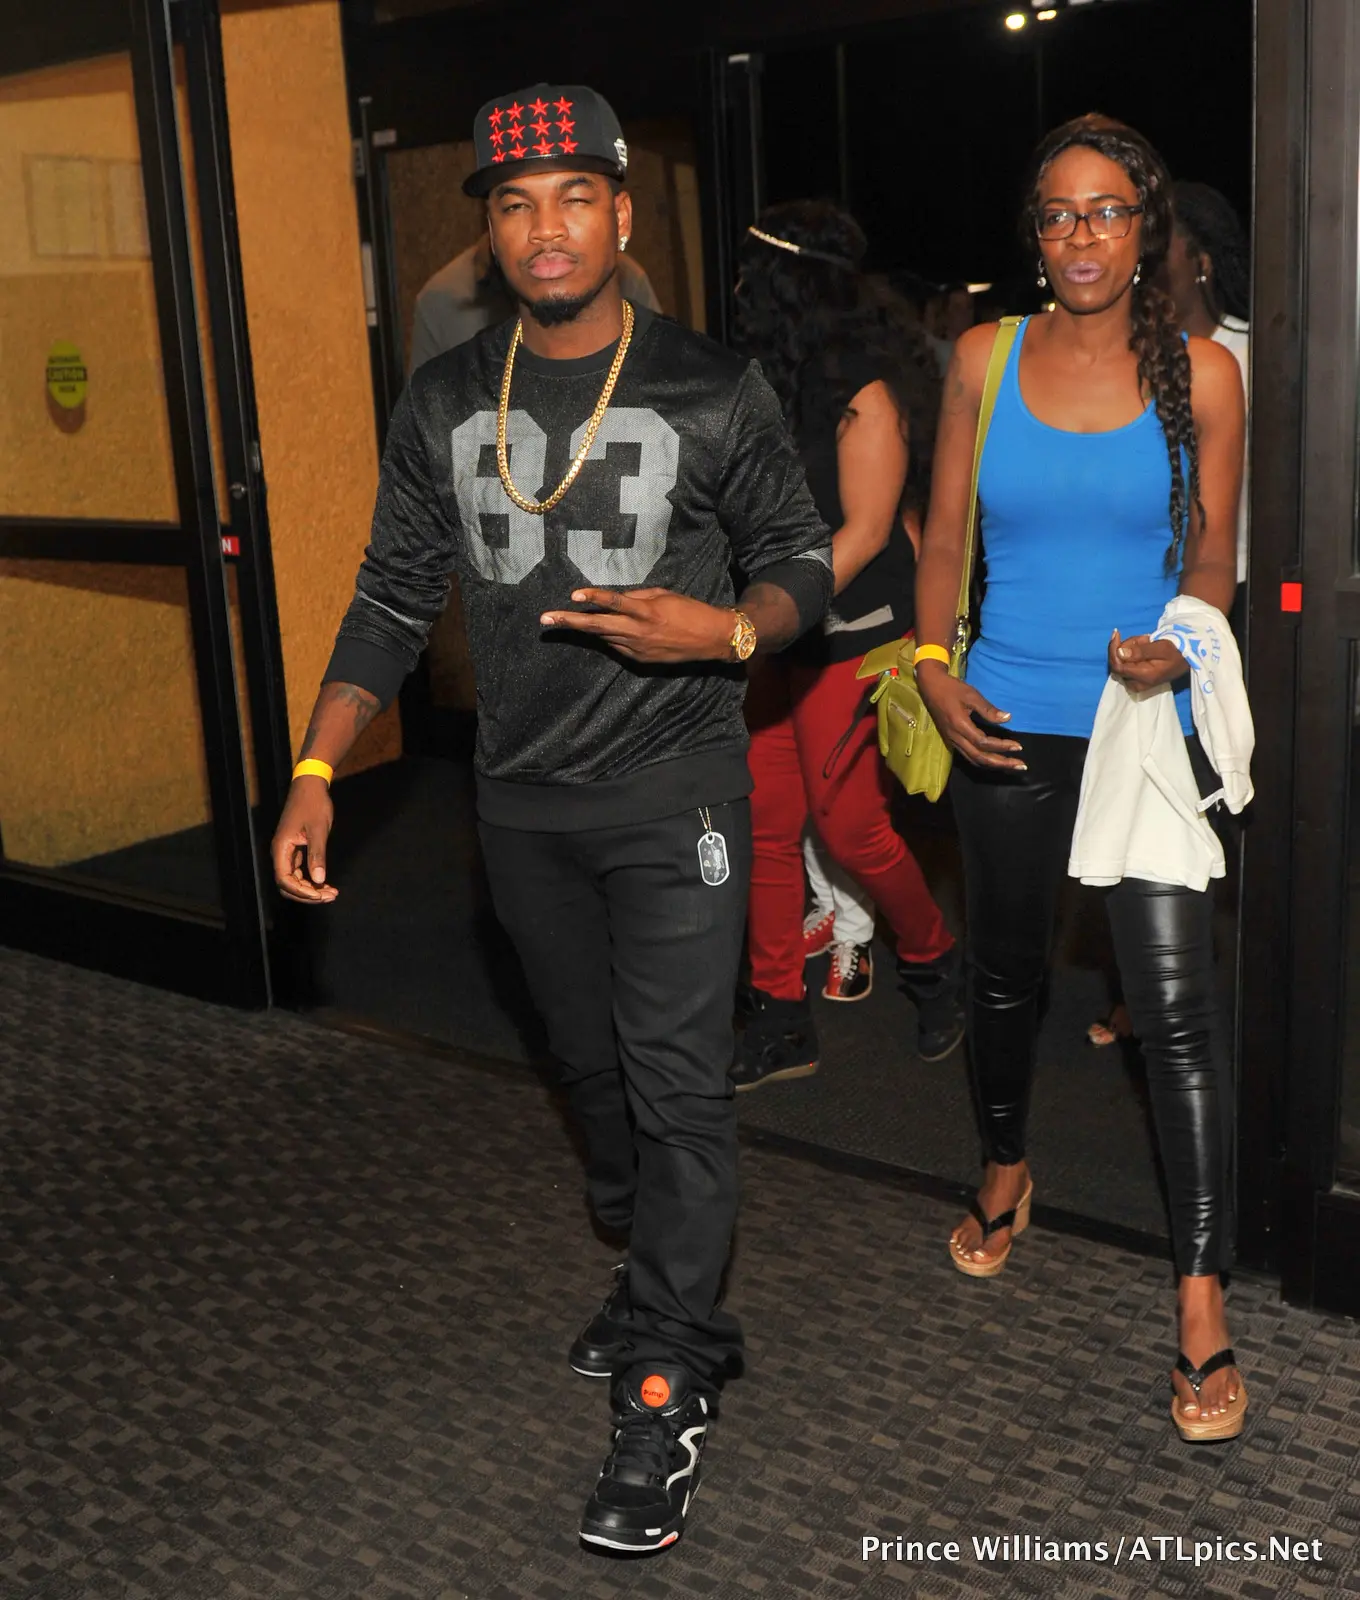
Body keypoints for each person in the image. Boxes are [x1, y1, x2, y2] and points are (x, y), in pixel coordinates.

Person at [269, 82, 833, 1553]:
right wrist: (317, 768)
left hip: (677, 789)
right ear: (492, 236)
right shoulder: (447, 400)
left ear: (621, 214)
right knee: (592, 1075)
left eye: (575, 195)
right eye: (515, 205)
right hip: (520, 804)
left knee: (679, 1085)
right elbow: (392, 595)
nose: (546, 228)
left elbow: (800, 560)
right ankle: (648, 1263)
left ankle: (666, 1379)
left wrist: (723, 631)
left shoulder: (710, 385)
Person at [915, 115, 1248, 1440]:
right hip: (1004, 717)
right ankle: (1005, 1166)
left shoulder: (1204, 375)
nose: (1081, 235)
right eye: (1057, 214)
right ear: (1035, 234)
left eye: (1107, 210)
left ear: (1148, 225)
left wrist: (1180, 644)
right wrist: (931, 666)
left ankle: (1200, 1297)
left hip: (1144, 727)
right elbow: (943, 536)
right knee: (1005, 976)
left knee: (1177, 1010)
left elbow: (1211, 562)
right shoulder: (982, 358)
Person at [729, 201, 962, 1092]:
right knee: (764, 828)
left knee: (851, 830)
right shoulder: (765, 384)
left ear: (789, 285)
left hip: (848, 635)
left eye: (753, 273)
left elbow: (863, 534)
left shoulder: (865, 391)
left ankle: (935, 961)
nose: (739, 289)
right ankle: (779, 1012)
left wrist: (766, 613)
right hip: (770, 640)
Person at [1088, 179, 1251, 1051]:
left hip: (1231, 607)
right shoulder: (1122, 358)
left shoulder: (1240, 358)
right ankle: (1141, 986)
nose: (1146, 259)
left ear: (1202, 261)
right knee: (1134, 806)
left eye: (1163, 244)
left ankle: (1184, 990)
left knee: (1206, 814)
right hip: (1155, 611)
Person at [409, 233, 660, 373]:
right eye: (517, 205)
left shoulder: (624, 278)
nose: (545, 229)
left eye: (574, 200)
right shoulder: (442, 298)